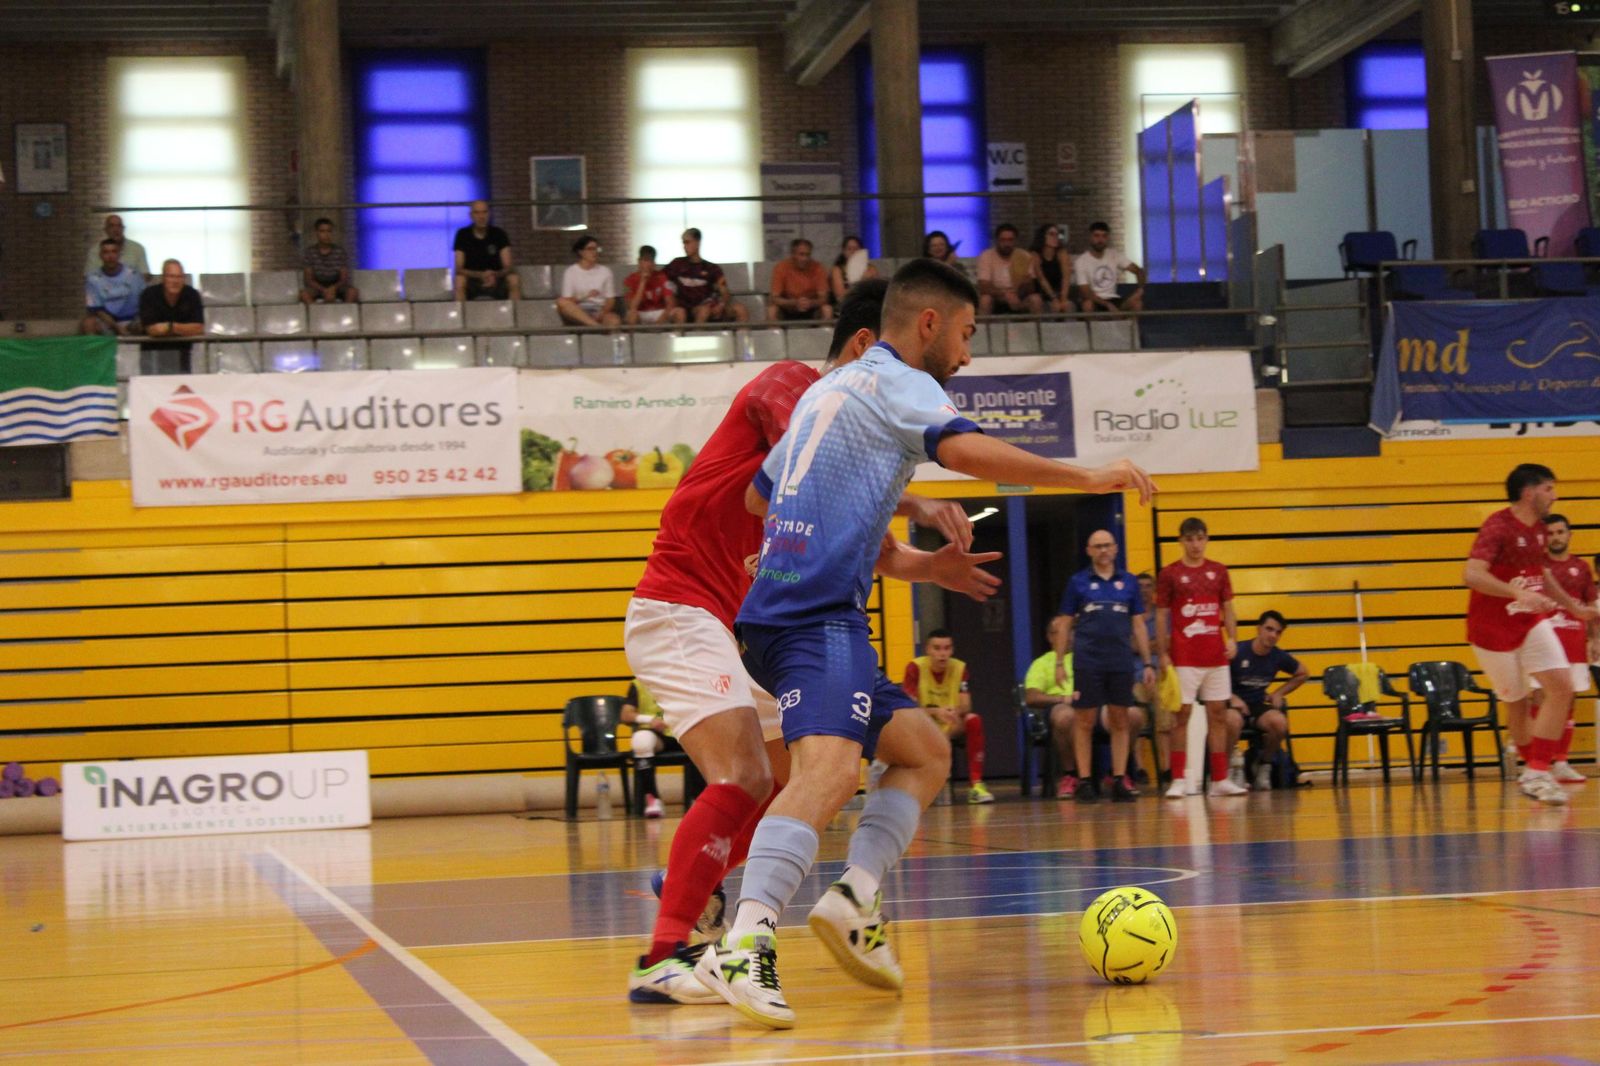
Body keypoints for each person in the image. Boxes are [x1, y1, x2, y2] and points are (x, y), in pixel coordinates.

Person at [695, 259, 1154, 1028]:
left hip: (789, 611)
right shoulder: (900, 381)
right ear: (930, 325)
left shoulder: (824, 393)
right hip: (814, 618)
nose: (969, 357)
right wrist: (1088, 478)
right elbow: (971, 452)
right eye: (968, 335)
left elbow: (758, 496)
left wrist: (915, 562)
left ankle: (854, 898)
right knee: (831, 770)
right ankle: (743, 942)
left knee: (922, 750)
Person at [625, 279, 990, 1008]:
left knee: (806, 774)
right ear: (864, 348)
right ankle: (662, 958)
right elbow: (796, 426)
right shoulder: (797, 386)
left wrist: (932, 567)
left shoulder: (838, 467)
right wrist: (915, 494)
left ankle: (700, 879)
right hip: (679, 605)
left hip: (740, 627)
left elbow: (884, 556)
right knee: (743, 777)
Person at [1463, 464, 1597, 805]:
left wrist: (1573, 608)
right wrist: (1517, 593)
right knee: (1517, 703)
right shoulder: (1498, 526)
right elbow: (1472, 574)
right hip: (1491, 630)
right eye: (1549, 489)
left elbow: (1543, 573)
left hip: (1531, 622)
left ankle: (1538, 771)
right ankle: (1532, 770)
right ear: (1529, 492)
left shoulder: (1539, 528)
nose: (1554, 496)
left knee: (1561, 687)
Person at [1057, 529, 1154, 803]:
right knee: (1083, 720)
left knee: (1120, 719)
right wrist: (1060, 661)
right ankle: (1085, 780)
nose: (1102, 550)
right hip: (1088, 661)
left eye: (1107, 545)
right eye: (1097, 546)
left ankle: (1120, 778)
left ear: (1115, 549)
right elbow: (1065, 623)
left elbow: (1138, 624)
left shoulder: (1130, 583)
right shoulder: (1078, 582)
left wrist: (1147, 663)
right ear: (1089, 550)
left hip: (1121, 661)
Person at [1156, 516, 1245, 798]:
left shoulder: (1219, 572)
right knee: (1180, 716)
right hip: (1184, 657)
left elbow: (1228, 609)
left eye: (1200, 538)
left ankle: (1219, 779)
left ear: (1206, 539)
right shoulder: (1170, 574)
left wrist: (1232, 639)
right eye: (1190, 539)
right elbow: (1161, 615)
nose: (1195, 544)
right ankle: (1179, 779)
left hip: (1215, 656)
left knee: (1218, 715)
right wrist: (1163, 652)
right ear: (1181, 541)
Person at [1534, 512, 1595, 784]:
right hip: (1544, 644)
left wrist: (1594, 639)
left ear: (1569, 534)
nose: (1556, 537)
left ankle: (1561, 762)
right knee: (1540, 699)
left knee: (1569, 700)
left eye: (1560, 532)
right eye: (1551, 533)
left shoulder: (1581, 567)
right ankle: (1539, 764)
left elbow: (1590, 607)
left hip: (1574, 644)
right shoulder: (1537, 567)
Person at [901, 629, 990, 803]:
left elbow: (966, 705)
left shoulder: (959, 668)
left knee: (973, 720)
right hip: (923, 725)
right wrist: (936, 712)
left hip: (949, 725)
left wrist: (953, 712)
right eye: (937, 648)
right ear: (927, 649)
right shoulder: (915, 668)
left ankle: (976, 785)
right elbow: (908, 708)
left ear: (952, 650)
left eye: (946, 648)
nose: (942, 654)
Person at [1226, 610, 1308, 790]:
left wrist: (1278, 693)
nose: (1272, 635)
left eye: (1278, 632)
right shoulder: (1239, 651)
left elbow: (1302, 673)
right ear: (1258, 629)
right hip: (1232, 704)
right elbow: (1214, 678)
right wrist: (1232, 697)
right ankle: (1229, 768)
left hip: (1256, 706)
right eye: (1269, 629)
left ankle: (1264, 765)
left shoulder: (1278, 656)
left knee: (1279, 722)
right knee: (1232, 720)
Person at [1022, 615, 1079, 797]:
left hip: (1089, 706)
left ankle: (1121, 775)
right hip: (1059, 708)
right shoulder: (1042, 663)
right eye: (1060, 633)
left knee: (1133, 715)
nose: (1067, 637)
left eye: (1070, 631)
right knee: (1065, 717)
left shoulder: (1085, 658)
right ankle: (1070, 775)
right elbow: (1031, 697)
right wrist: (1062, 699)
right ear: (1050, 637)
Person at [1132, 571, 1176, 785]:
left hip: (1160, 673)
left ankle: (1166, 767)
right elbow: (1127, 645)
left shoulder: (1163, 615)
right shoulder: (1129, 615)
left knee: (1163, 712)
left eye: (1148, 586)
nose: (1143, 590)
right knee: (1136, 713)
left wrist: (1142, 645)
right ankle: (1140, 768)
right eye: (1139, 586)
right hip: (1134, 675)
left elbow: (1168, 642)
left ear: (1154, 590)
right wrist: (1153, 644)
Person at [622, 680, 680, 819]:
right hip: (656, 734)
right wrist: (649, 719)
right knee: (641, 741)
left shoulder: (682, 679)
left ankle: (698, 798)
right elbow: (625, 715)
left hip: (681, 732)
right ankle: (653, 799)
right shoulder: (638, 684)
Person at [665, 228, 747, 324]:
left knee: (740, 309)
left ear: (697, 243)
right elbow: (661, 279)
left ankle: (744, 338)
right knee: (703, 311)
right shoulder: (676, 264)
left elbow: (724, 291)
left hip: (709, 305)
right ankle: (697, 337)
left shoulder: (712, 268)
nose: (684, 246)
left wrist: (721, 305)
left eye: (687, 242)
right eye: (683, 243)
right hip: (687, 308)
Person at [138, 259, 205, 374]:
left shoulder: (192, 295)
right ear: (163, 278)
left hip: (182, 355)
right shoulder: (149, 294)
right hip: (152, 356)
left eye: (179, 277)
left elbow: (199, 328)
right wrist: (184, 329)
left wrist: (170, 327)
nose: (175, 281)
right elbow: (152, 329)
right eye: (171, 276)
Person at [452, 200, 522, 301]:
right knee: (459, 280)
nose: (481, 216)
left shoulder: (499, 233)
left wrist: (494, 275)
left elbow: (508, 266)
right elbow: (459, 268)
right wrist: (481, 275)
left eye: (484, 212)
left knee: (514, 279)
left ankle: (516, 316)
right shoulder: (462, 234)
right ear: (471, 215)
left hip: (496, 279)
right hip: (473, 281)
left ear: (489, 214)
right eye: (477, 212)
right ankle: (461, 316)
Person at [1074, 221, 1146, 313]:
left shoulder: (1114, 255)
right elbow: (1085, 292)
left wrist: (1140, 290)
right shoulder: (1081, 261)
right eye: (1097, 236)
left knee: (1137, 303)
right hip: (1095, 300)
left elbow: (1139, 271)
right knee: (1087, 305)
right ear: (1090, 237)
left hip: (1113, 299)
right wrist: (1107, 305)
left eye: (1104, 236)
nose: (1100, 240)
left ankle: (1129, 327)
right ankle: (1094, 327)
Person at [975, 223, 1043, 315]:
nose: (1007, 244)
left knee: (1036, 300)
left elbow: (1030, 286)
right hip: (996, 298)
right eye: (1003, 240)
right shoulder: (986, 256)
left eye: (1010, 240)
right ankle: (983, 329)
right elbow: (984, 285)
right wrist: (1005, 296)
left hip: (1019, 296)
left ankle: (1036, 329)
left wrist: (1017, 295)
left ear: (1015, 241)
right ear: (997, 241)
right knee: (985, 300)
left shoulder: (1024, 256)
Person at [82, 240, 145, 336]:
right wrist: (117, 327)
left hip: (132, 321)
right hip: (107, 322)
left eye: (114, 251)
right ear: (100, 255)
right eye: (106, 252)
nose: (110, 256)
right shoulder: (92, 279)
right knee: (88, 323)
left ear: (119, 254)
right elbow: (97, 310)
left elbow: (144, 302)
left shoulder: (134, 275)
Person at [556, 235, 620, 327]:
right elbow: (568, 300)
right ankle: (595, 326)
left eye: (596, 249)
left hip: (598, 309)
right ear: (581, 252)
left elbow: (610, 300)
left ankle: (598, 329)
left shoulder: (605, 271)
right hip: (578, 309)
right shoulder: (570, 271)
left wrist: (602, 313)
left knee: (614, 320)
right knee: (561, 302)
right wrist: (586, 296)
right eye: (590, 249)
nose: (594, 252)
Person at [767, 238, 833, 322]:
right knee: (771, 310)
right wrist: (794, 303)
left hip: (811, 308)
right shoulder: (781, 267)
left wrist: (811, 303)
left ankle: (824, 334)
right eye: (801, 254)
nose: (805, 258)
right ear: (793, 254)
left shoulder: (818, 267)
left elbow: (824, 298)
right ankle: (774, 335)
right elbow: (775, 298)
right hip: (787, 308)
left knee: (827, 309)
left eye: (808, 255)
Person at [299, 217, 359, 304]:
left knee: (353, 292)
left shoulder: (340, 252)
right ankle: (316, 315)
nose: (326, 235)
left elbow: (344, 278)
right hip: (317, 286)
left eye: (329, 231)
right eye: (322, 231)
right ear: (317, 233)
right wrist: (324, 290)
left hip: (336, 285)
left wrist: (333, 288)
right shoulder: (309, 252)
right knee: (303, 294)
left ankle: (344, 314)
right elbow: (309, 279)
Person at [623, 245, 686, 326]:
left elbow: (670, 303)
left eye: (651, 261)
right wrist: (643, 282)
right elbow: (632, 306)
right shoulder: (629, 280)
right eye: (645, 260)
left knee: (680, 312)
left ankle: (676, 338)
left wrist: (660, 322)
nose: (648, 264)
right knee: (631, 315)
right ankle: (635, 339)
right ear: (639, 262)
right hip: (641, 313)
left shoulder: (662, 277)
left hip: (659, 312)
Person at [84, 214, 150, 279]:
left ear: (123, 228)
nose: (116, 229)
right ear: (105, 230)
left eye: (119, 226)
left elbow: (145, 275)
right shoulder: (95, 251)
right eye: (111, 226)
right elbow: (89, 277)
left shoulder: (137, 248)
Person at [1030, 223, 1072, 313]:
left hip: (1059, 291)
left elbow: (1066, 278)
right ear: (1043, 236)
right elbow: (1041, 279)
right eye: (1051, 234)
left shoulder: (1061, 253)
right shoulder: (1035, 255)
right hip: (1043, 293)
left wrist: (1063, 298)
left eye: (1057, 235)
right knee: (1051, 307)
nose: (1055, 237)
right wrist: (1053, 298)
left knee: (1068, 306)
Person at [829, 235, 878, 304]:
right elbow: (840, 297)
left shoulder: (871, 268)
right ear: (844, 251)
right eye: (849, 249)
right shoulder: (838, 270)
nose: (853, 252)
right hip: (848, 304)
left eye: (856, 248)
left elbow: (877, 290)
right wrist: (860, 282)